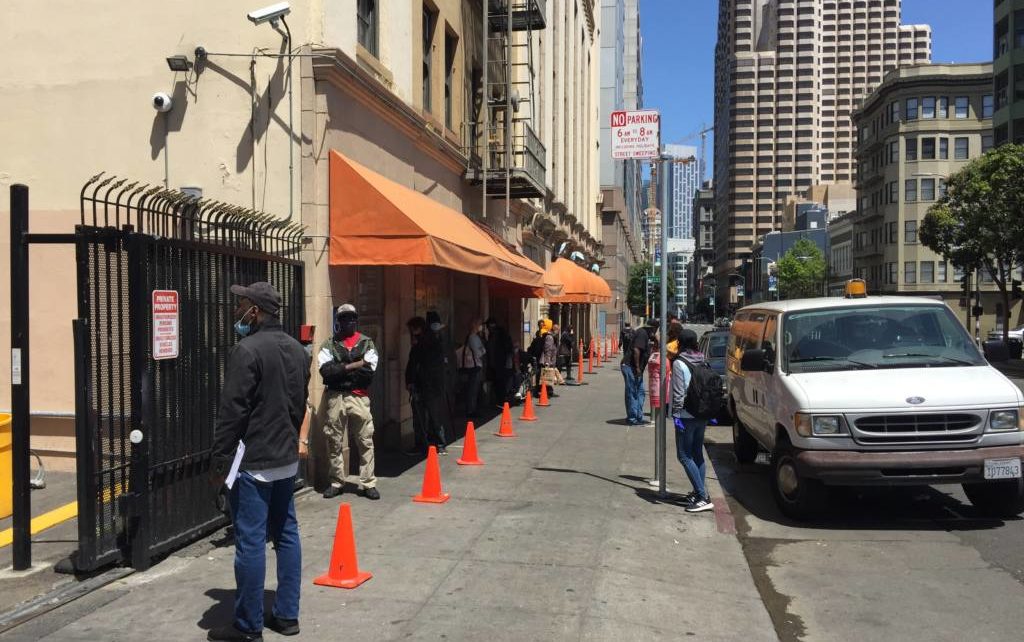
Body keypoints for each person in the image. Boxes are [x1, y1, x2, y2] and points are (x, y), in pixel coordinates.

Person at [209, 281, 309, 642]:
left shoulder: (246, 350)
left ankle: (248, 625)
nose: (237, 310)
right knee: (286, 534)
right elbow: (300, 403)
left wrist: (220, 462)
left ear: (255, 311)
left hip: (254, 460)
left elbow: (232, 412)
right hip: (285, 457)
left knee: (250, 541)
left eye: (241, 304)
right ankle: (287, 615)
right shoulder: (297, 350)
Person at [318, 304, 380, 500]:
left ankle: (368, 483)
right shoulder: (328, 344)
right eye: (345, 318)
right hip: (335, 397)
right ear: (339, 321)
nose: (349, 322)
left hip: (359, 397)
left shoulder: (367, 343)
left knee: (365, 439)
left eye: (352, 318)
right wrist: (355, 365)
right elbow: (326, 372)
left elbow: (368, 373)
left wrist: (341, 369)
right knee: (334, 440)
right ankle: (337, 482)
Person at [670, 328, 715, 513]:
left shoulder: (679, 363)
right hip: (702, 414)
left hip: (686, 415)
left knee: (684, 455)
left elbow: (678, 393)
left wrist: (676, 415)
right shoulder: (703, 359)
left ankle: (702, 497)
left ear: (680, 343)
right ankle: (698, 493)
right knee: (697, 454)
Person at [406, 311, 452, 455]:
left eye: (412, 330)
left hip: (426, 385)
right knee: (431, 416)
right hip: (429, 386)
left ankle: (429, 444)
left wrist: (411, 381)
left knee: (425, 417)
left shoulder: (423, 344)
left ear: (418, 329)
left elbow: (415, 365)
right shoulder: (431, 342)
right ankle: (438, 444)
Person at [621, 318, 656, 425]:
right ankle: (632, 418)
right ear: (652, 328)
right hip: (630, 367)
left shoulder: (646, 335)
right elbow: (636, 350)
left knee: (640, 392)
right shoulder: (642, 333)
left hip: (636, 369)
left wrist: (656, 339)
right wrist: (637, 367)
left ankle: (638, 416)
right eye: (655, 329)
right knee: (632, 392)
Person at [456, 318, 487, 418]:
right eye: (480, 324)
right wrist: (483, 350)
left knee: (474, 388)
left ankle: (472, 409)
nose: (481, 326)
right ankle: (471, 410)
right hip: (474, 366)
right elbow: (479, 352)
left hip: (474, 366)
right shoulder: (473, 337)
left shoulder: (474, 337)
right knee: (473, 389)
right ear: (475, 325)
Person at [485, 317, 513, 405]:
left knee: (499, 382)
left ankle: (501, 400)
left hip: (499, 362)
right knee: (498, 382)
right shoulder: (495, 334)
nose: (487, 328)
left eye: (488, 326)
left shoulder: (498, 334)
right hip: (497, 362)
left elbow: (502, 348)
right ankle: (500, 400)